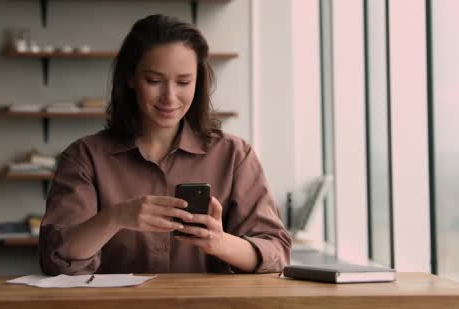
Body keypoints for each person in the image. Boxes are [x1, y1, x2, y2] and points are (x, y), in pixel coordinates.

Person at [39, 14, 291, 275]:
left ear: (198, 81)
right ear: (130, 78)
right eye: (154, 81)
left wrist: (220, 242)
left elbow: (276, 253)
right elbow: (56, 259)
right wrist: (115, 218)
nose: (170, 97)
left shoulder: (235, 156)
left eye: (184, 82)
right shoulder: (84, 157)